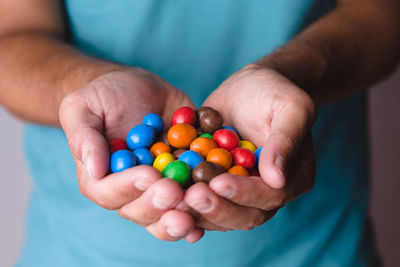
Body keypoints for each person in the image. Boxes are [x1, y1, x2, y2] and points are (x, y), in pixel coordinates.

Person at [0, 0, 399, 266]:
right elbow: (12, 36)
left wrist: (289, 75)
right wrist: (90, 84)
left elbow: (381, 14)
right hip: (76, 253)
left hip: (320, 248)